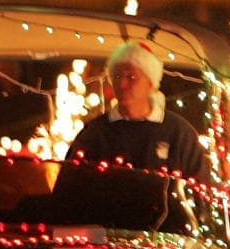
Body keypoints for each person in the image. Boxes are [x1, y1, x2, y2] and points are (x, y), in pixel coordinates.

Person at [64, 40, 210, 185]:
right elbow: (70, 183)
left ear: (151, 83)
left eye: (131, 77)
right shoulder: (95, 133)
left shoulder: (178, 133)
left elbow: (199, 188)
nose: (122, 84)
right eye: (117, 77)